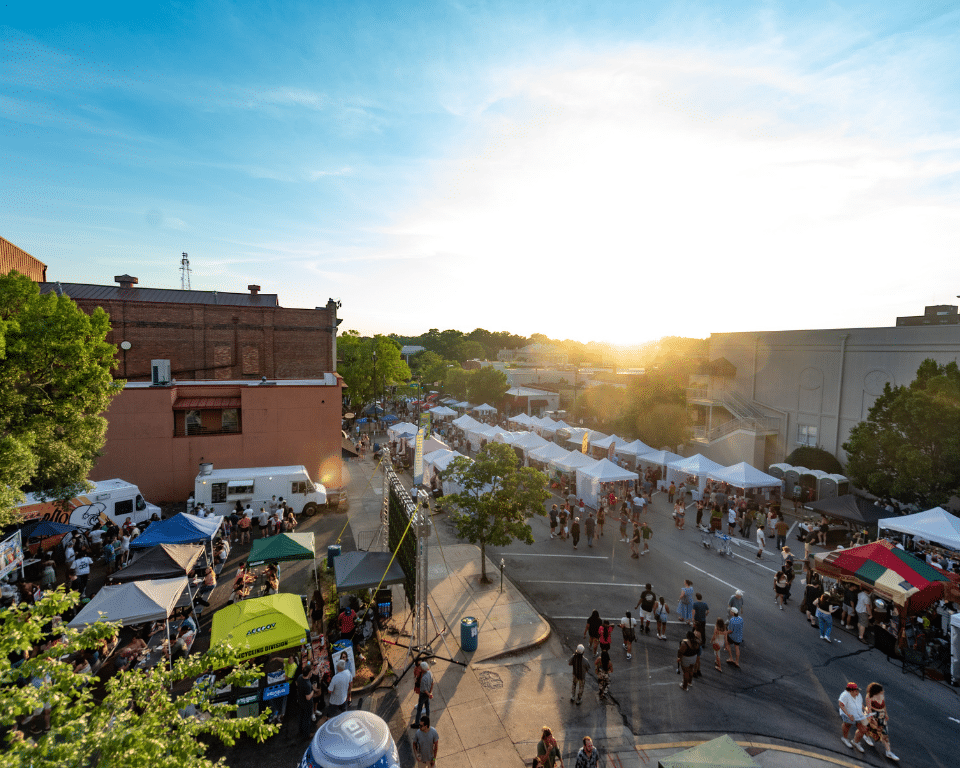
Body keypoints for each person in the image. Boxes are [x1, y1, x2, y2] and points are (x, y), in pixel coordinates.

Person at [864, 682, 899, 761]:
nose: (883, 692)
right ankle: (866, 736)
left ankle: (888, 752)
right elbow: (869, 710)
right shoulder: (869, 697)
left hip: (881, 715)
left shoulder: (882, 695)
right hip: (873, 715)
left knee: (884, 734)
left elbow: (884, 705)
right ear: (876, 691)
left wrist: (885, 714)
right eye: (881, 691)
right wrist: (873, 720)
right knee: (871, 729)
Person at [838, 681, 874, 752]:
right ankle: (845, 738)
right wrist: (848, 714)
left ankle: (855, 742)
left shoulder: (858, 695)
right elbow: (841, 705)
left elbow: (860, 704)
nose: (857, 692)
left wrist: (865, 709)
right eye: (855, 691)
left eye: (857, 690)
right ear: (850, 691)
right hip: (848, 714)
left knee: (864, 728)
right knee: (847, 725)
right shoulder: (844, 695)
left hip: (858, 714)